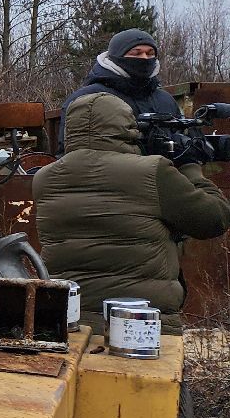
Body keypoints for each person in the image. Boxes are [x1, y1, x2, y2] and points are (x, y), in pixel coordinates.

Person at [34, 92, 230, 325]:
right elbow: (213, 219)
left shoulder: (44, 178)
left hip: (69, 317)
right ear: (127, 126)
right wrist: (191, 166)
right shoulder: (153, 171)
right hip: (141, 320)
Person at [58, 28, 177, 143]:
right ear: (117, 57)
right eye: (136, 53)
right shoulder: (87, 99)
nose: (144, 58)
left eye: (150, 53)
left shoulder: (165, 100)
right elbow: (71, 148)